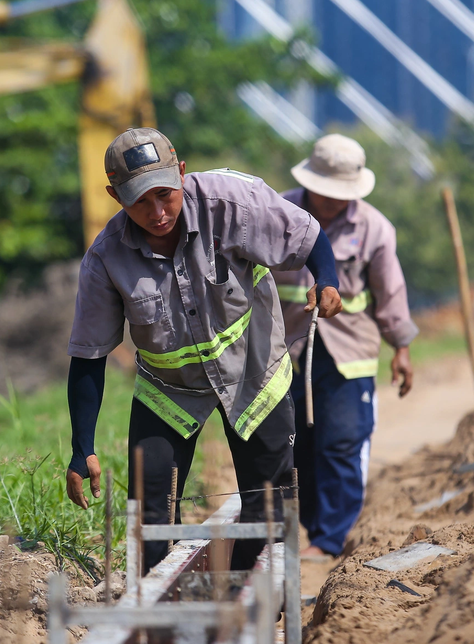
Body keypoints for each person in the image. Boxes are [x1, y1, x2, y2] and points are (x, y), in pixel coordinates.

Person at [65, 127, 342, 572]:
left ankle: (251, 598)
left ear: (181, 173)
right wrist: (83, 448)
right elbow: (88, 356)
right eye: (140, 202)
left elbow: (308, 237)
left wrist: (327, 279)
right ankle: (161, 614)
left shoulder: (230, 203)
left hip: (255, 375)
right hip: (168, 391)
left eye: (165, 195)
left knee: (268, 504)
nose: (157, 213)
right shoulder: (105, 259)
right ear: (115, 197)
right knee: (150, 512)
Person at [273, 133, 418, 560]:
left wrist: (402, 349)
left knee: (341, 442)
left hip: (347, 354)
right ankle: (306, 528)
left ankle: (331, 538)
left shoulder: (373, 228)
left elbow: (390, 293)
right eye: (325, 192)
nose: (333, 202)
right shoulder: (276, 213)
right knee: (295, 446)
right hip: (284, 352)